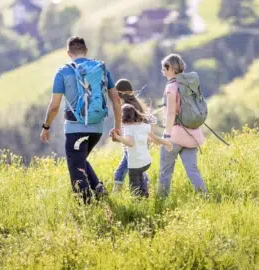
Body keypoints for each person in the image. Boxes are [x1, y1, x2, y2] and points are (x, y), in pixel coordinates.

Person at [40, 36, 122, 204]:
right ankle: (100, 191)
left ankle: (87, 208)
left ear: (69, 53)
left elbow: (54, 106)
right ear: (86, 51)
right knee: (80, 160)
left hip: (75, 130)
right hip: (97, 128)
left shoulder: (63, 72)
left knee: (76, 170)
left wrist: (46, 126)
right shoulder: (101, 70)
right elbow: (116, 100)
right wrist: (117, 127)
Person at [158, 53, 207, 197]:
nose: (162, 72)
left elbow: (171, 114)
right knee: (192, 170)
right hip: (192, 135)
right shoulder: (189, 83)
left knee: (165, 172)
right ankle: (205, 197)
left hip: (174, 136)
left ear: (170, 68)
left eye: (164, 68)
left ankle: (161, 201)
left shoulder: (171, 87)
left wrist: (166, 136)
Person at [112, 104, 172, 197]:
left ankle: (138, 204)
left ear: (124, 117)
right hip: (146, 162)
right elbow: (155, 139)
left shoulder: (128, 128)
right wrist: (167, 143)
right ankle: (145, 195)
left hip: (135, 164)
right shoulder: (145, 125)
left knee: (135, 188)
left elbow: (130, 143)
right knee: (141, 179)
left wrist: (118, 137)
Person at [112, 79, 157, 193]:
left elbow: (128, 129)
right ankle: (145, 191)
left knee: (120, 173)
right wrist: (149, 136)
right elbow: (152, 119)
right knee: (139, 171)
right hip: (138, 145)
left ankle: (116, 197)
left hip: (132, 147)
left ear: (119, 94)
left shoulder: (127, 107)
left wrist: (119, 137)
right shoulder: (137, 105)